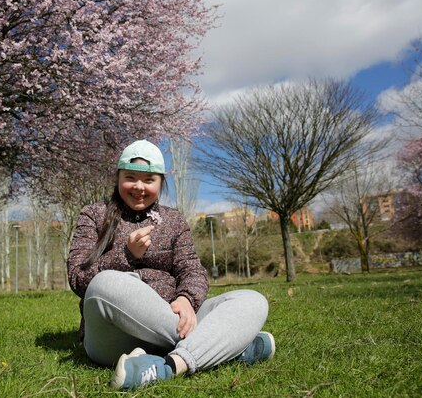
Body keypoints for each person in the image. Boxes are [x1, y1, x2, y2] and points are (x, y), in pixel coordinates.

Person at [67, 140, 274, 390]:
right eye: (130, 177)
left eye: (149, 180)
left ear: (161, 182)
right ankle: (227, 344)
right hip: (114, 336)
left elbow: (192, 270)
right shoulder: (93, 214)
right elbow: (78, 279)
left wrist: (187, 299)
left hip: (175, 318)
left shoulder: (173, 219)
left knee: (252, 299)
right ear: (118, 177)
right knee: (105, 284)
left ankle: (169, 366)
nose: (139, 187)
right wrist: (126, 255)